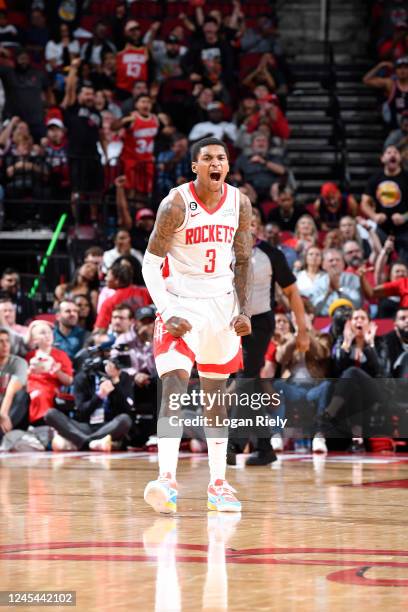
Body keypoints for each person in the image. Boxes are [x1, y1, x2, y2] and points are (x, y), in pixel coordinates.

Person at [141, 137, 254, 514]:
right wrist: (166, 307)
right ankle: (166, 479)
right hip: (182, 302)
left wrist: (243, 311)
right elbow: (149, 263)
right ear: (195, 166)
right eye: (207, 158)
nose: (215, 162)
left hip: (222, 304)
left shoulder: (240, 203)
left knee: (215, 396)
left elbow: (243, 261)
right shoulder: (175, 203)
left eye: (221, 157)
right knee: (173, 383)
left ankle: (218, 484)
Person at [227, 208, 309, 466]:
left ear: (257, 226)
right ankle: (265, 447)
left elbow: (293, 293)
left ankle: (233, 443)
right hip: (228, 321)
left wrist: (302, 330)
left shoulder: (271, 254)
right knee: (248, 384)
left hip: (259, 322)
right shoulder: (221, 252)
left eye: (251, 222)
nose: (245, 227)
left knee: (245, 378)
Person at [45, 357, 133, 452]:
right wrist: (99, 396)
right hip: (84, 426)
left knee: (125, 420)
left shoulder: (123, 377)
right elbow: (82, 411)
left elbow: (127, 409)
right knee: (50, 414)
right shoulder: (82, 377)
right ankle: (92, 443)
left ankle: (79, 442)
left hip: (108, 425)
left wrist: (116, 382)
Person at [361, 145, 408, 263]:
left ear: (400, 158)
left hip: (404, 229)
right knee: (380, 260)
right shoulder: (375, 179)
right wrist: (374, 216)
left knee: (403, 264)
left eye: (395, 152)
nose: (392, 154)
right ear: (382, 158)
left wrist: (405, 217)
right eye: (389, 152)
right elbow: (364, 203)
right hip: (382, 229)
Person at [94, 261, 150, 332]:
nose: (105, 279)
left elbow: (99, 329)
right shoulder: (145, 292)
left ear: (117, 280)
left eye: (108, 276)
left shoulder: (109, 302)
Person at [310, 248, 363, 315]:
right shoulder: (318, 282)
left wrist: (339, 289)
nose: (334, 263)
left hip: (348, 316)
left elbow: (357, 304)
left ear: (343, 264)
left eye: (338, 260)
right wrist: (327, 294)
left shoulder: (353, 279)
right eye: (331, 261)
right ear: (323, 265)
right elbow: (314, 309)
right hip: (324, 319)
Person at [0, 328, 28, 437]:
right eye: (1, 341)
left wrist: (3, 414)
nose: (5, 345)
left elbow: (11, 390)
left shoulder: (19, 363)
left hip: (11, 410)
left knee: (22, 395)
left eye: (7, 341)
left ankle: (3, 431)